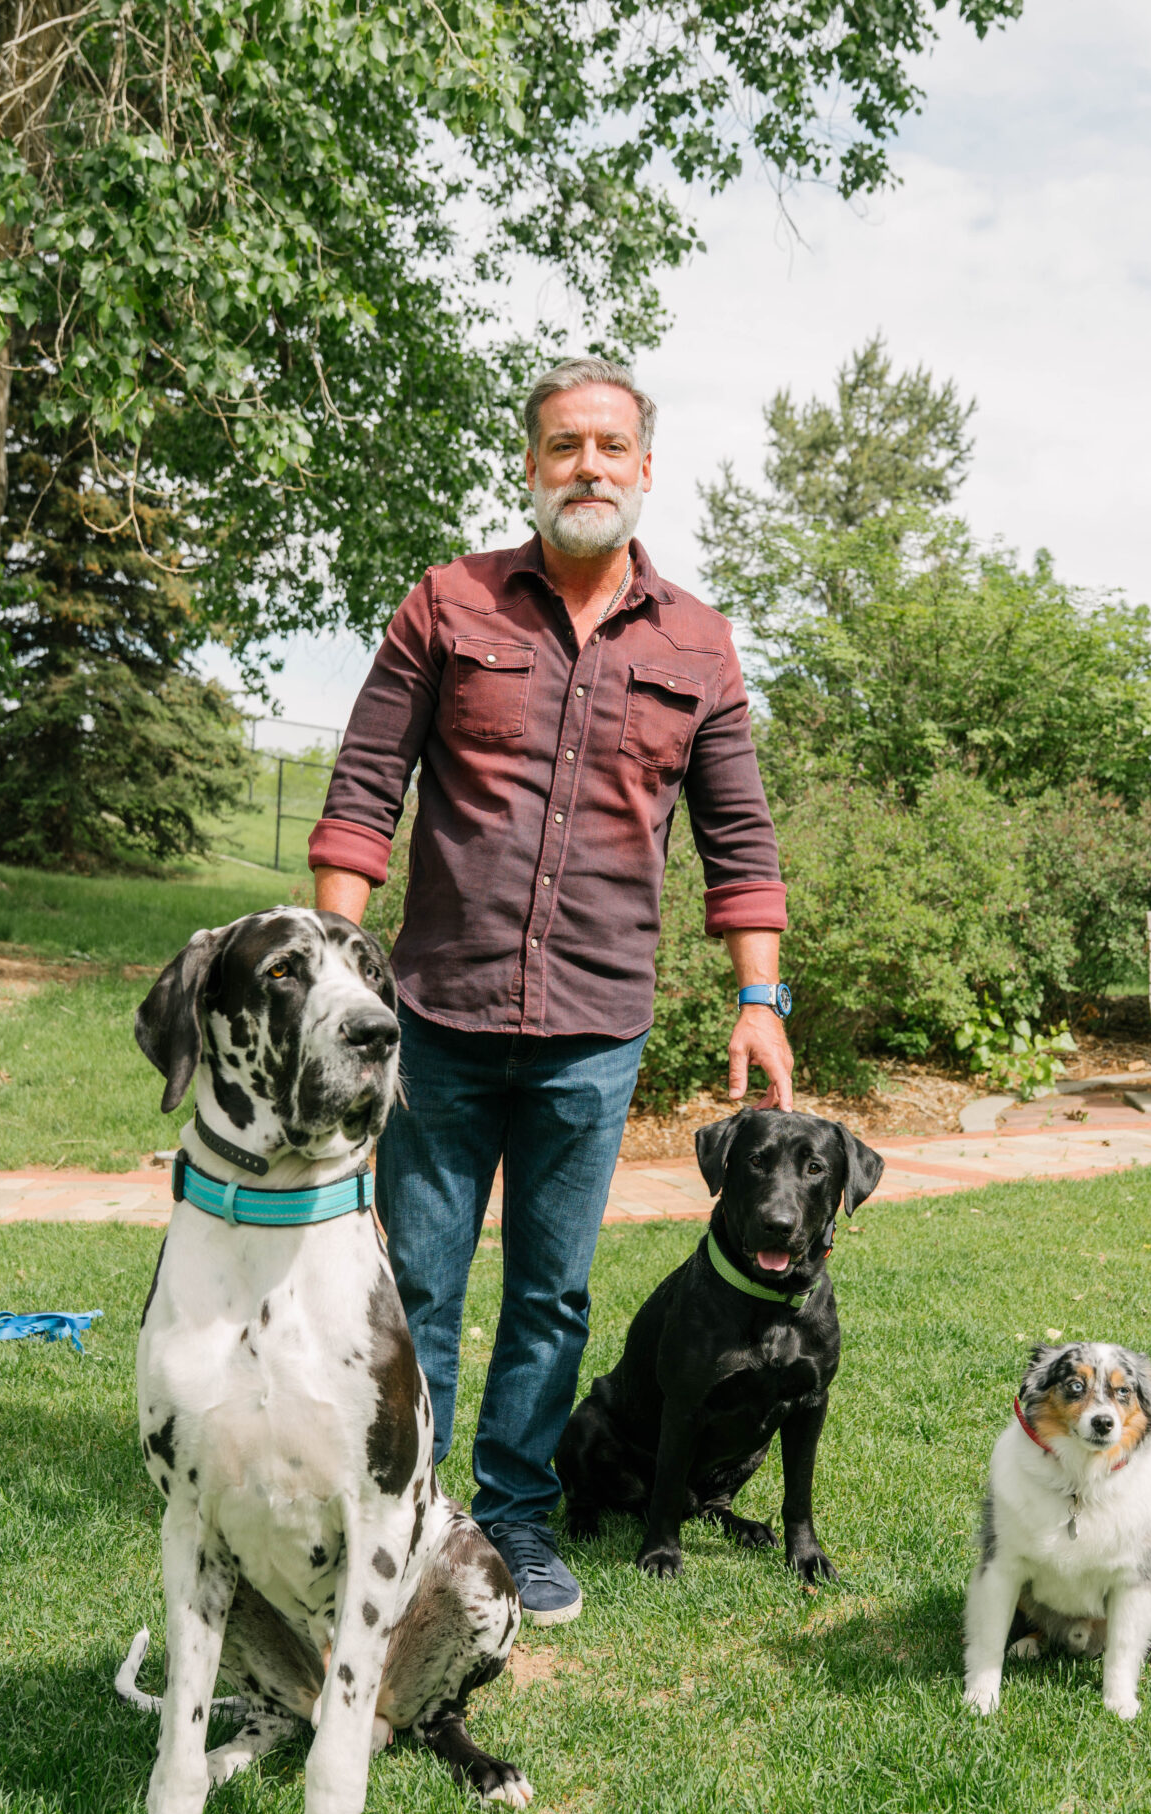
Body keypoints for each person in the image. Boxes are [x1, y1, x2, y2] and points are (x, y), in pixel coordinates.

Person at [309, 357, 793, 1624]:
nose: (588, 466)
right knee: (417, 1278)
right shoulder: (448, 602)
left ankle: (515, 1515)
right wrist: (330, 965)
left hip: (595, 1025)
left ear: (645, 470)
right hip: (440, 1016)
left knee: (551, 1289)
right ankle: (401, 1508)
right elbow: (365, 786)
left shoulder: (698, 639)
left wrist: (763, 999)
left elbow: (740, 837)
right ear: (531, 466)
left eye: (611, 447)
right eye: (564, 445)